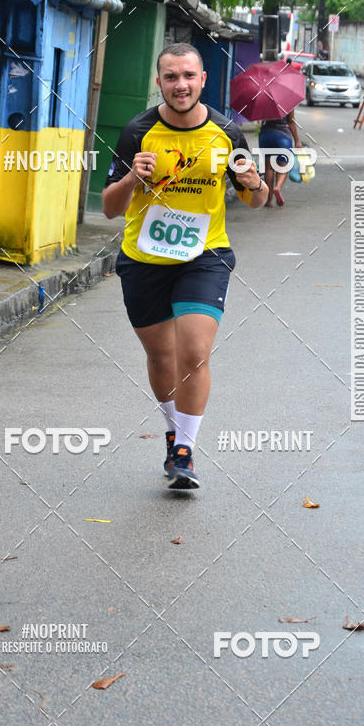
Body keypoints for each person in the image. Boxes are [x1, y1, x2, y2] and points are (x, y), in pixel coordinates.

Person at [102, 42, 268, 490]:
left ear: (203, 80)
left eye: (189, 76)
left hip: (205, 257)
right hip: (144, 261)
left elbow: (256, 200)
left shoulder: (227, 133)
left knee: (193, 352)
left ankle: (184, 452)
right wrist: (132, 178)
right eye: (172, 77)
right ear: (159, 82)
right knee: (161, 356)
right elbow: (109, 209)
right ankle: (174, 428)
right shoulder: (137, 132)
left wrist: (256, 183)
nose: (181, 85)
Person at [259, 109, 301, 207]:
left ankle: (269, 200)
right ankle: (277, 187)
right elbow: (291, 121)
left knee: (268, 168)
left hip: (266, 134)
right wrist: (297, 140)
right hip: (283, 136)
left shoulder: (263, 101)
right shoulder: (288, 102)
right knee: (283, 167)